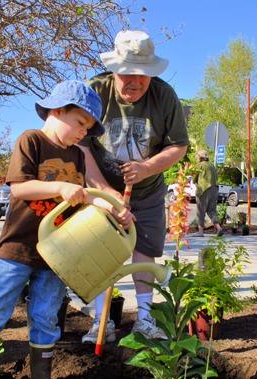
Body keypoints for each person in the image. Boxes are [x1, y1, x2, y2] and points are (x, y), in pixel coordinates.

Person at [0, 80, 133, 379]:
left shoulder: (76, 156)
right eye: (80, 123)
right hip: (17, 248)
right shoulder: (32, 140)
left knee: (45, 317)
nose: (82, 133)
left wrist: (113, 211)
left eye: (88, 128)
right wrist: (59, 186)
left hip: (57, 254)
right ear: (57, 111)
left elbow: (81, 201)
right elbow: (19, 188)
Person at [78, 30, 189, 344]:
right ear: (115, 69)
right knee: (100, 251)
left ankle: (144, 320)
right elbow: (81, 146)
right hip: (101, 189)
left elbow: (178, 146)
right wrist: (104, 193)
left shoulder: (164, 96)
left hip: (148, 191)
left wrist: (146, 168)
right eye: (127, 74)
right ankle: (101, 322)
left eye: (144, 74)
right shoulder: (95, 91)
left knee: (144, 253)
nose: (136, 82)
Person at [192, 149, 223, 237]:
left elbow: (194, 178)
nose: (196, 158)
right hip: (214, 188)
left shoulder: (199, 166)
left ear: (200, 157)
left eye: (196, 157)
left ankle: (201, 232)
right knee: (212, 210)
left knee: (201, 211)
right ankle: (218, 228)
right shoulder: (211, 165)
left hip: (204, 189)